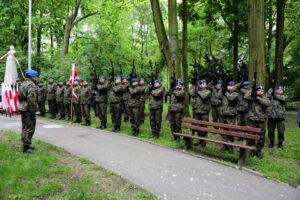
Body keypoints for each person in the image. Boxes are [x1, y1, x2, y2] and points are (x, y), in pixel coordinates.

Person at [245, 86, 270, 159]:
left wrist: (258, 98)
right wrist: (252, 90)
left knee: (261, 136)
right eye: (258, 90)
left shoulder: (265, 98)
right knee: (251, 136)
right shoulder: (252, 98)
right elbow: (246, 97)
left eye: (262, 91)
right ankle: (252, 150)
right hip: (252, 119)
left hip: (261, 120)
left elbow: (267, 104)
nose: (260, 92)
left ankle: (258, 151)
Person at [18, 69, 39, 153]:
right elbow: (32, 100)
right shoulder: (31, 85)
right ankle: (26, 148)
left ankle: (25, 144)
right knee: (29, 128)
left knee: (25, 127)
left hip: (23, 107)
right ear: (32, 76)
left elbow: (19, 96)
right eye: (35, 76)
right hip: (28, 109)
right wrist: (33, 111)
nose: (36, 78)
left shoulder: (23, 84)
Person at [190, 79, 211, 147]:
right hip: (197, 111)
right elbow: (191, 93)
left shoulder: (208, 91)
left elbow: (204, 96)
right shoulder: (197, 90)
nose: (202, 85)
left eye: (204, 84)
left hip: (204, 111)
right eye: (201, 84)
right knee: (198, 125)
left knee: (204, 126)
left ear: (206, 85)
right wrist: (194, 86)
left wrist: (198, 91)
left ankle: (204, 140)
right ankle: (199, 139)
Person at [220, 81, 239, 154]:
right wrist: (221, 89)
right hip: (223, 114)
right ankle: (225, 144)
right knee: (223, 130)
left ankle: (230, 145)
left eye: (231, 86)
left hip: (231, 115)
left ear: (234, 87)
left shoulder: (236, 93)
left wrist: (226, 92)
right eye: (228, 86)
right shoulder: (224, 93)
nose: (229, 87)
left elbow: (231, 99)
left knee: (230, 130)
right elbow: (218, 97)